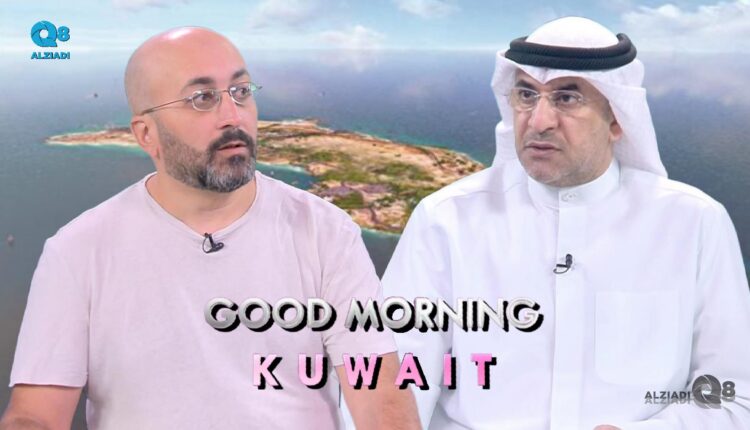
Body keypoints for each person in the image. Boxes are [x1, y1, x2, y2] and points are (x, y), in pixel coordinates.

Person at [1, 27, 418, 430]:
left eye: (241, 91)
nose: (232, 116)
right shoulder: (77, 252)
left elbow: (379, 389)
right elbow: (37, 415)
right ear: (147, 134)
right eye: (202, 98)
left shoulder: (326, 231)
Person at [382, 16, 750, 430]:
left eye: (567, 98)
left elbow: (734, 396)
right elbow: (392, 388)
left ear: (617, 119)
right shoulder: (445, 220)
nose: (539, 121)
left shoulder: (693, 223)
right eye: (526, 95)